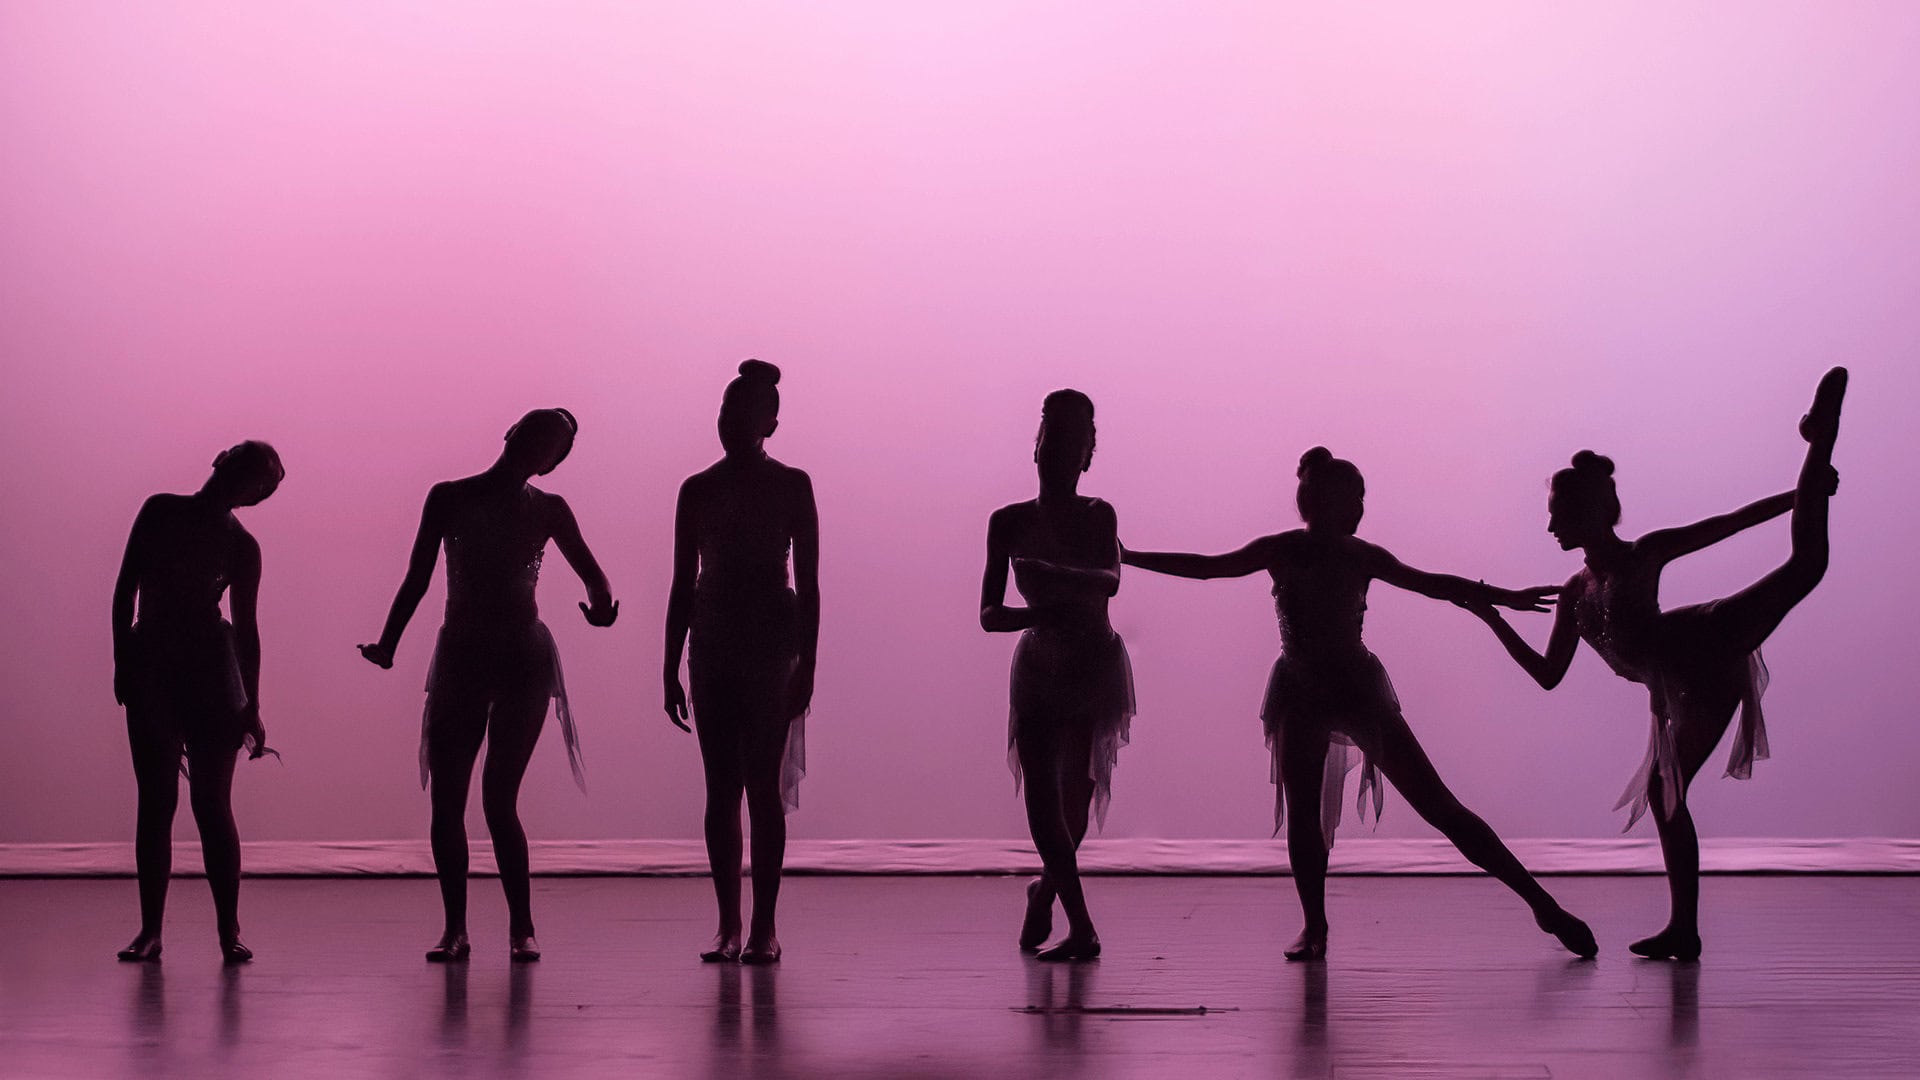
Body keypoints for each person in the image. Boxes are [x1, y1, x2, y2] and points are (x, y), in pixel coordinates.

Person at [1123, 447, 1597, 961]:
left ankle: (1541, 903)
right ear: (1324, 501)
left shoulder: (1360, 555)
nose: (1363, 509)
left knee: (1440, 806)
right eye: (1357, 499)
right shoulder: (1283, 550)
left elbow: (1434, 585)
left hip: (1354, 688)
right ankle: (1315, 927)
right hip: (1301, 693)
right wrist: (1129, 557)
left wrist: (1499, 595)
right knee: (1306, 817)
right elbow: (1208, 568)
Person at [1464, 368, 1846, 960]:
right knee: (1667, 794)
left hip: (1704, 642)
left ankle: (1818, 441)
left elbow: (1729, 523)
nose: (1550, 525)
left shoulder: (1643, 554)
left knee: (1806, 566)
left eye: (1559, 513)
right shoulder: (1573, 592)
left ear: (1594, 512)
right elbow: (1547, 675)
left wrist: (1804, 492)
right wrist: (1493, 620)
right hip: (1675, 684)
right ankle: (1684, 930)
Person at [359, 408, 618, 962]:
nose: (539, 446)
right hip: (462, 656)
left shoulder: (549, 509)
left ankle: (521, 928)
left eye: (553, 444)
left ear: (551, 463)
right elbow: (418, 577)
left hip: (522, 657)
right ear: (511, 432)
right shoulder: (449, 496)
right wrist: (388, 643)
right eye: (536, 432)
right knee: (449, 802)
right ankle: (456, 929)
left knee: (500, 799)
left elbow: (593, 575)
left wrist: (602, 607)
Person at [664, 361, 818, 965]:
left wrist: (807, 662)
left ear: (770, 423)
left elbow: (809, 584)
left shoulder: (792, 485)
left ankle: (765, 927)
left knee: (763, 789)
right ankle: (729, 923)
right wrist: (668, 664)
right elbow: (682, 583)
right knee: (720, 787)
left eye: (746, 411)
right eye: (726, 409)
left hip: (771, 643)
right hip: (713, 638)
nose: (731, 420)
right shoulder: (696, 489)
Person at [111, 440, 284, 963]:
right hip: (154, 666)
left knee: (211, 805)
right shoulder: (159, 509)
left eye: (257, 483)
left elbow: (249, 631)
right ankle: (151, 931)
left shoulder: (242, 546)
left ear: (254, 497)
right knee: (157, 801)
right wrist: (123, 662)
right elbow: (125, 590)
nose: (245, 485)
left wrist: (252, 703)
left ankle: (228, 930)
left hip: (211, 671)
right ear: (220, 460)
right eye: (245, 471)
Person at [980, 389, 1132, 962]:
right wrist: (1039, 612)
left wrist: (1050, 574)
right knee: (1044, 801)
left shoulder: (1100, 515)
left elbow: (1110, 579)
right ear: (1036, 445)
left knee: (1075, 802)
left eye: (1071, 441)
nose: (1056, 449)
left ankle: (1044, 892)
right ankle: (1084, 929)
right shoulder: (1008, 521)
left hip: (1093, 663)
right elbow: (989, 614)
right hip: (1040, 665)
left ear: (1086, 455)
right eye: (1049, 434)